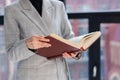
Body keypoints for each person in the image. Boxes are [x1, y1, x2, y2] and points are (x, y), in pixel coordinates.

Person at [4, 0, 81, 80]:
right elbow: (11, 54)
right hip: (32, 76)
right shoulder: (12, 10)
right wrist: (27, 46)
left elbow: (69, 37)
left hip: (60, 74)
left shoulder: (58, 5)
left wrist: (74, 52)